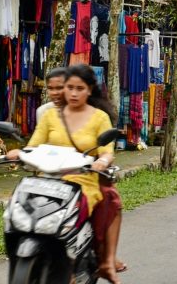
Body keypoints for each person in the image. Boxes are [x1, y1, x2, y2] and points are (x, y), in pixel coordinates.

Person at [7, 64, 124, 284]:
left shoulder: (99, 117)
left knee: (107, 202)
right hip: (46, 180)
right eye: (69, 88)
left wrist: (102, 160)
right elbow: (34, 145)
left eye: (79, 88)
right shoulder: (50, 115)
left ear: (89, 90)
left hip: (82, 180)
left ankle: (103, 261)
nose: (73, 93)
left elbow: (108, 152)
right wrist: (18, 152)